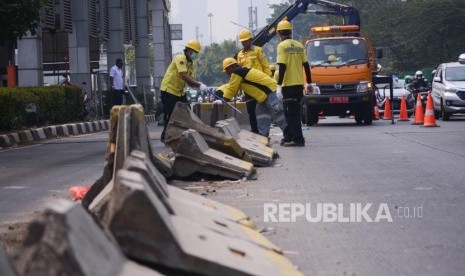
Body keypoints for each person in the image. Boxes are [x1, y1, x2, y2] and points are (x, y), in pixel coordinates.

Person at [216, 57, 290, 140]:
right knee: (261, 114)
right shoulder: (242, 70)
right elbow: (234, 88)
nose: (227, 73)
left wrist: (224, 100)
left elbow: (232, 88)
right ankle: (263, 135)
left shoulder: (237, 73)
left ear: (230, 67)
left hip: (269, 92)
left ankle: (289, 135)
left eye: (226, 70)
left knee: (278, 114)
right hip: (264, 95)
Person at [159, 39, 208, 143]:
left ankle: (185, 136)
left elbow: (190, 82)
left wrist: (199, 86)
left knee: (187, 112)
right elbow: (184, 76)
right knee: (171, 114)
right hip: (169, 90)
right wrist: (198, 84)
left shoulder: (191, 64)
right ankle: (165, 137)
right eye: (195, 52)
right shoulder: (180, 58)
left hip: (179, 92)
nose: (195, 55)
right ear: (189, 50)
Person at [276, 20, 311, 147]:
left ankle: (298, 139)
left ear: (279, 33)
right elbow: (306, 65)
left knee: (291, 115)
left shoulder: (282, 46)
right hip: (298, 86)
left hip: (288, 86)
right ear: (290, 31)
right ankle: (290, 137)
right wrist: (309, 83)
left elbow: (282, 66)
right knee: (293, 112)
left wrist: (279, 85)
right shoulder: (299, 45)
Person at [235, 29, 272, 134]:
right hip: (248, 87)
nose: (244, 43)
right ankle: (255, 132)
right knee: (251, 110)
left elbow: (265, 66)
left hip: (259, 85)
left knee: (262, 111)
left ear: (250, 40)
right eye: (242, 41)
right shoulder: (239, 55)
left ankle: (265, 132)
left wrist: (268, 82)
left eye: (245, 41)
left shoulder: (258, 50)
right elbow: (238, 72)